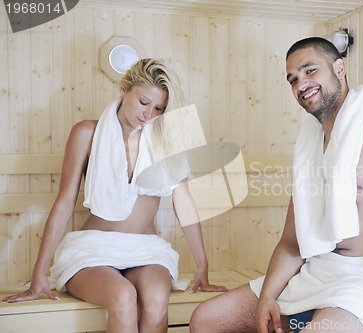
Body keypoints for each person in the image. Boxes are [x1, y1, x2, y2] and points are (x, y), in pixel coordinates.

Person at [189, 37, 363, 333]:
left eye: (310, 71)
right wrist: (268, 296)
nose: (301, 84)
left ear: (339, 68)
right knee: (207, 319)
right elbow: (292, 241)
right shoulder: (309, 147)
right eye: (293, 79)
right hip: (321, 272)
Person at [2, 58, 227, 333]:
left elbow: (184, 203)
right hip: (93, 250)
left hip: (145, 249)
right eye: (144, 102)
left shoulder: (167, 140)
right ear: (124, 89)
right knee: (123, 295)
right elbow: (64, 204)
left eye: (159, 108)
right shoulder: (87, 133)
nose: (149, 115)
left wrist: (202, 265)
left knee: (157, 298)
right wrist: (39, 272)